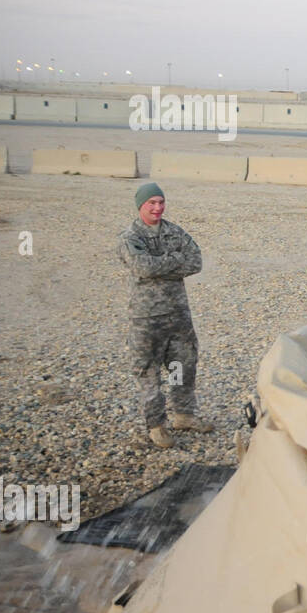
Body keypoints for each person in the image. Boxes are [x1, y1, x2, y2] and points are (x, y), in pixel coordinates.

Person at [117, 183, 214, 447]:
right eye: (152, 203)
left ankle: (183, 415)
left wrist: (160, 263)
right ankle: (156, 425)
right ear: (141, 206)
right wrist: (174, 262)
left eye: (161, 202)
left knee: (182, 366)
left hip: (178, 315)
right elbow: (142, 267)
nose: (157, 207)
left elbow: (195, 261)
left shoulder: (174, 231)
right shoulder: (130, 237)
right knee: (148, 373)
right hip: (146, 318)